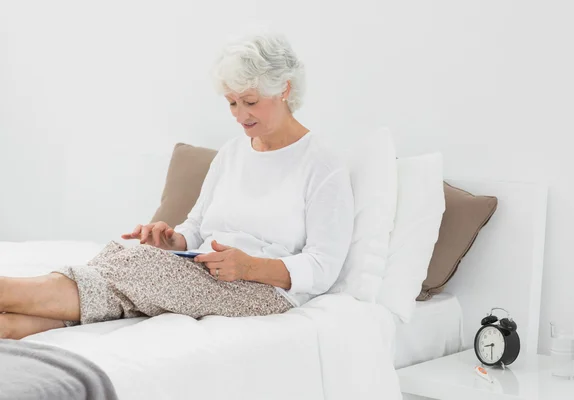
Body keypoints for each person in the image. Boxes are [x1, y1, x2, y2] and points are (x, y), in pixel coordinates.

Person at [0, 32, 354, 340]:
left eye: (250, 102)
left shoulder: (321, 163)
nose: (239, 115)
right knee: (123, 252)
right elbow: (198, 227)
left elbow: (324, 267)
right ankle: (20, 325)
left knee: (142, 267)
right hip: (207, 271)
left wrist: (249, 267)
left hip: (266, 291)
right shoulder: (232, 153)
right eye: (231, 102)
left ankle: (7, 292)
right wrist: (173, 240)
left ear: (284, 89)